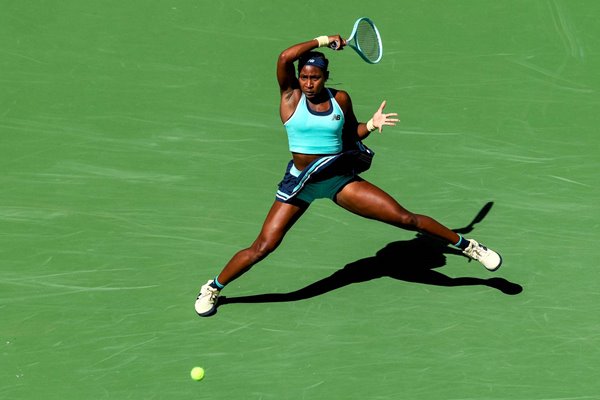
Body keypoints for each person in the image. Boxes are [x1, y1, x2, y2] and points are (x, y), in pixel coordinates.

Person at [194, 34, 502, 317]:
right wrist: (325, 40)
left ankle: (469, 247)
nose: (308, 83)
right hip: (300, 185)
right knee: (263, 246)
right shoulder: (290, 98)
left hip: (338, 180)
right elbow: (285, 57)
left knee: (405, 218)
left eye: (314, 77)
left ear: (325, 77)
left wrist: (370, 124)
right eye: (304, 77)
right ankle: (213, 288)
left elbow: (351, 134)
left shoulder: (340, 100)